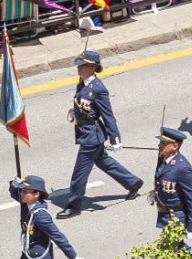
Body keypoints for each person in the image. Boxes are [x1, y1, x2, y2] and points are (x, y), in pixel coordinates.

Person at [59, 51, 143, 218]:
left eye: (81, 66)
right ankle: (132, 182)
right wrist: (76, 115)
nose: (78, 68)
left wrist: (115, 139)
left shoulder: (98, 89)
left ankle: (74, 205)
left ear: (91, 68)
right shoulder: (83, 83)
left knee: (79, 172)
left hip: (92, 136)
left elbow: (108, 115)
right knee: (103, 161)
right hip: (85, 131)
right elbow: (84, 106)